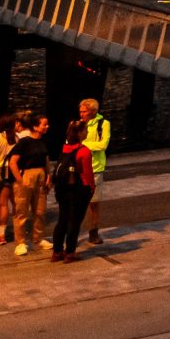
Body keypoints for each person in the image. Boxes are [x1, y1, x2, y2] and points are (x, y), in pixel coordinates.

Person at [49, 120, 97, 262]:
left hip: (62, 189)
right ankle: (70, 253)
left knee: (62, 219)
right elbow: (88, 175)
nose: (87, 132)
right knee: (74, 221)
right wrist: (92, 189)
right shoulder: (84, 151)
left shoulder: (65, 148)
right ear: (80, 133)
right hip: (78, 190)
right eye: (85, 130)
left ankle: (57, 252)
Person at [8, 113, 49, 256]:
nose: (47, 127)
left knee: (40, 211)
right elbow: (12, 162)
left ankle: (38, 239)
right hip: (27, 176)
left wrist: (48, 177)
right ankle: (20, 243)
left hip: (41, 176)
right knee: (21, 211)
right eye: (44, 124)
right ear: (35, 126)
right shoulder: (24, 142)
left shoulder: (42, 141)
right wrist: (20, 180)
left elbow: (46, 160)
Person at [77, 97, 112, 245]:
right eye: (80, 111)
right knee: (77, 203)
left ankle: (93, 232)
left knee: (94, 204)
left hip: (95, 169)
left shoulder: (103, 124)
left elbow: (103, 145)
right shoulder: (78, 124)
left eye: (84, 111)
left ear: (92, 111)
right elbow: (70, 142)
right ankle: (74, 232)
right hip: (79, 168)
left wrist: (83, 145)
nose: (81, 114)